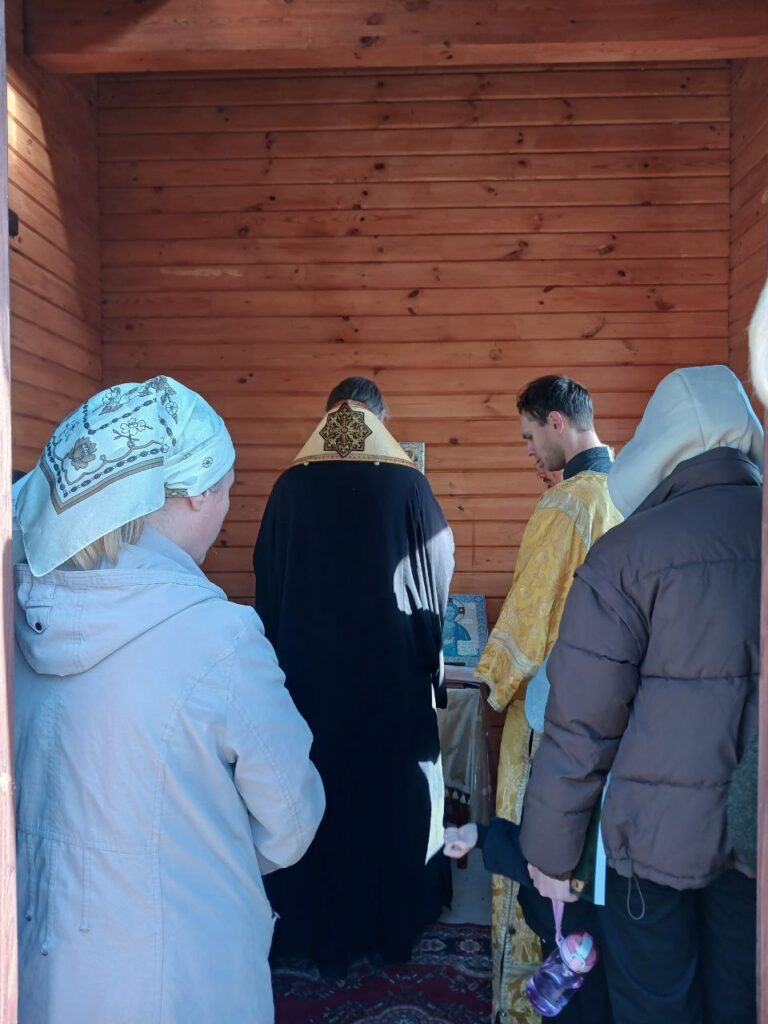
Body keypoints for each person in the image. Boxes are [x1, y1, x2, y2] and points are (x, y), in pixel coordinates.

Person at [12, 376, 325, 1024]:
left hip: (47, 972)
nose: (228, 507)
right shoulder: (221, 637)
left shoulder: (21, 613)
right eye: (228, 488)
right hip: (185, 973)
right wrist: (202, 850)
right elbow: (292, 818)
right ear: (193, 494)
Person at [520, 364, 762, 1024]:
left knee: (657, 1002)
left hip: (652, 845)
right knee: (742, 997)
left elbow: (581, 722)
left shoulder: (628, 555)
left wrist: (550, 851)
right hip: (757, 841)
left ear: (661, 443)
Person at [253, 376, 454, 977]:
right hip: (392, 684)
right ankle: (394, 928)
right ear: (381, 423)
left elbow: (267, 579)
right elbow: (438, 571)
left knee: (320, 798)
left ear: (328, 419)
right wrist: (429, 656)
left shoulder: (289, 487)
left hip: (310, 686)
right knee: (390, 801)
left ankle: (317, 930)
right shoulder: (409, 485)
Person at [474, 375, 621, 1024]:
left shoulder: (565, 507)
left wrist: (491, 684)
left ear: (557, 422)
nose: (529, 451)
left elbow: (528, 622)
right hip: (616, 717)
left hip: (551, 716)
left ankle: (529, 1003)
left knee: (534, 857)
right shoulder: (632, 491)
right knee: (592, 867)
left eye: (531, 436)